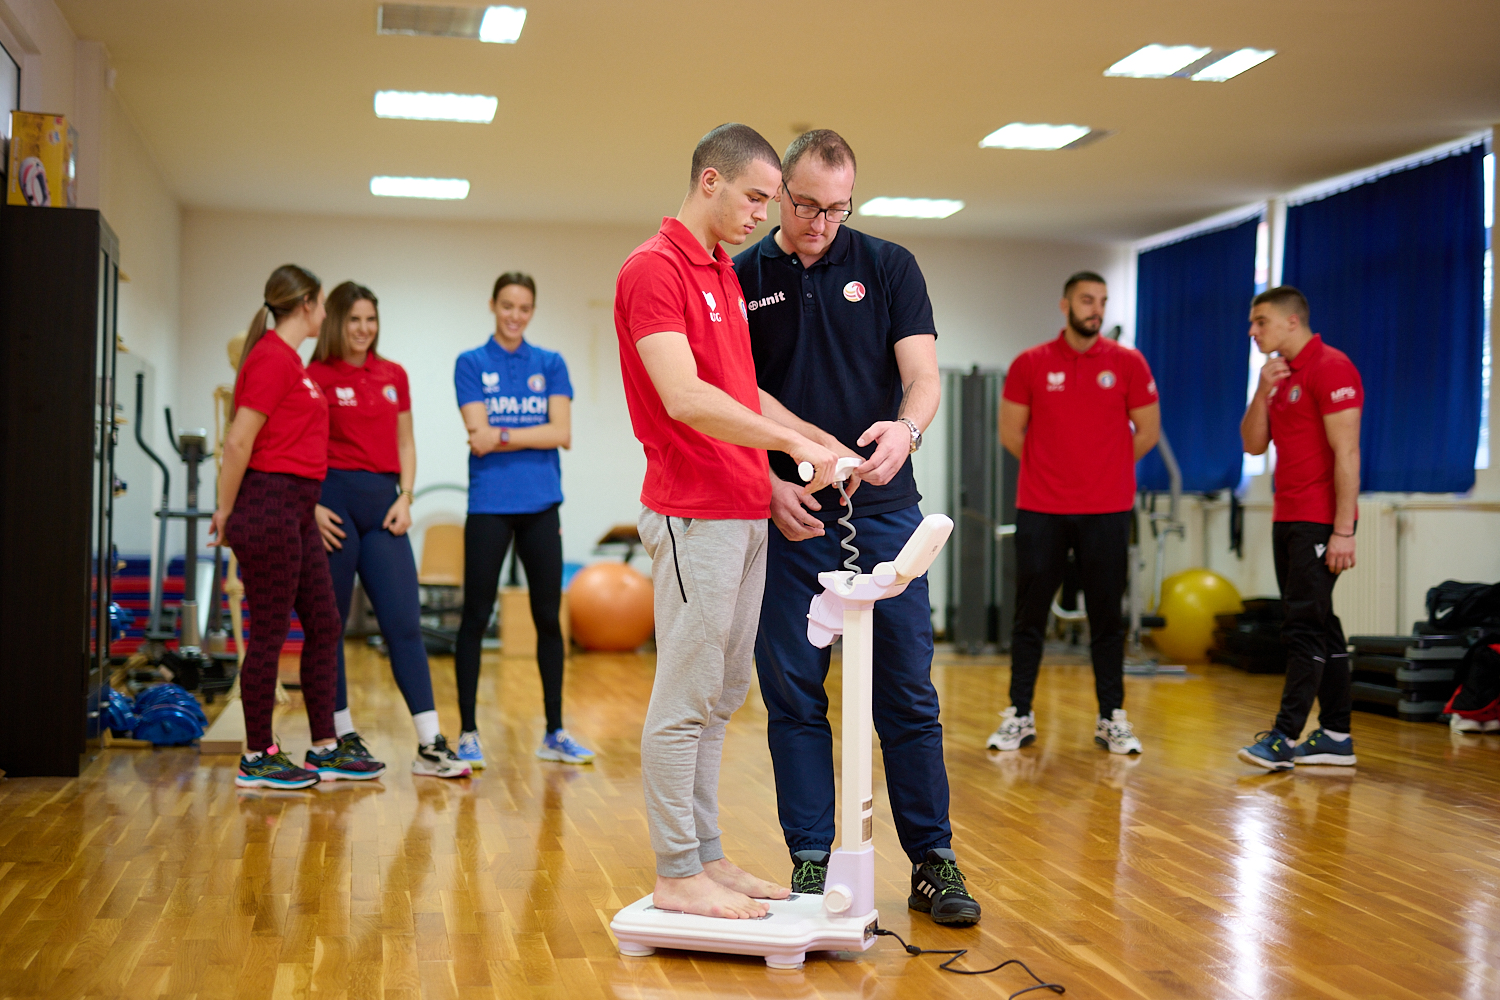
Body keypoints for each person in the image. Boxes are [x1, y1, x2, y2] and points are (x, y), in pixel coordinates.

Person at [733, 129, 980, 926]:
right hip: (793, 517)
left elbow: (922, 378)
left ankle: (933, 861)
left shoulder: (888, 266)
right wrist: (770, 485)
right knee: (793, 696)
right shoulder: (742, 278)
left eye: (837, 209)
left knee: (907, 694)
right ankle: (811, 860)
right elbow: (730, 404)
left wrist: (907, 430)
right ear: (780, 194)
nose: (820, 224)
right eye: (806, 206)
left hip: (884, 515)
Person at [614, 122, 842, 919]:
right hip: (692, 513)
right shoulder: (653, 269)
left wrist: (815, 442)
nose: (762, 215)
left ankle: (706, 858)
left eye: (769, 202)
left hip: (744, 510)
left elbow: (742, 393)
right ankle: (677, 872)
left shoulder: (719, 271)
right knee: (684, 700)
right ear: (710, 181)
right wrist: (791, 444)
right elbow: (684, 398)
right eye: (754, 197)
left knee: (720, 697)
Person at [209, 264, 387, 788]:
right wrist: (225, 511)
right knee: (269, 632)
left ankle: (325, 746)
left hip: (298, 507)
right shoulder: (270, 358)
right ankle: (257, 755)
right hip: (268, 504)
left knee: (325, 622)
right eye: (323, 303)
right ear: (306, 304)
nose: (326, 312)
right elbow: (239, 441)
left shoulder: (291, 361)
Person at [988, 271, 1160, 756]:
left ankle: (1112, 718)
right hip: (1041, 508)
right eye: (1087, 300)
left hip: (1107, 511)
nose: (1096, 309)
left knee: (1107, 619)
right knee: (1030, 617)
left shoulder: (1128, 362)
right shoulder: (1030, 363)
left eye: (1102, 301)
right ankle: (1019, 714)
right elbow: (1010, 433)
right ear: (1065, 305)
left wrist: (1104, 471)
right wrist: (1055, 471)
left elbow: (1147, 432)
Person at [307, 282, 470, 779]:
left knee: (403, 623)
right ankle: (338, 738)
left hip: (384, 506)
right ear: (337, 322)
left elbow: (406, 442)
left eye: (371, 319)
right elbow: (301, 445)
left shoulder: (393, 374)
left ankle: (430, 744)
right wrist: (312, 506)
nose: (364, 329)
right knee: (330, 627)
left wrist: (407, 495)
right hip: (333, 508)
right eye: (354, 319)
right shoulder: (316, 375)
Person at [453, 272, 592, 768]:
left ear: (532, 311)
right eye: (508, 306)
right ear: (493, 305)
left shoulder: (550, 363)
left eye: (524, 308)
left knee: (547, 619)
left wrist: (503, 435)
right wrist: (525, 432)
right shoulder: (471, 363)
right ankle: (467, 733)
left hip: (541, 505)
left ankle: (554, 731)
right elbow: (477, 434)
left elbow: (562, 433)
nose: (515, 315)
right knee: (475, 616)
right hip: (488, 506)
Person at [1237, 286, 1362, 770]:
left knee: (1303, 628)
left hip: (1319, 520)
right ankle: (1335, 735)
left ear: (1292, 321)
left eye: (1261, 321)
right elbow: (1252, 445)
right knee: (1321, 624)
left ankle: (1284, 738)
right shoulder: (1279, 374)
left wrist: (1343, 530)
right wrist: (1261, 390)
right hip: (1286, 516)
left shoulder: (1332, 367)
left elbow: (1347, 453)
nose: (1253, 331)